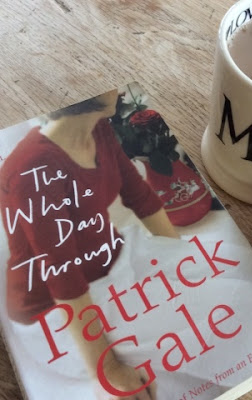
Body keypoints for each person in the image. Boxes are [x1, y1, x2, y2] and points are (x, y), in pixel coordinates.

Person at [0, 90, 179, 400]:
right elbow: (61, 273)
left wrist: (184, 259)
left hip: (108, 266)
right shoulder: (29, 168)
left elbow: (140, 196)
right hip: (54, 312)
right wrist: (107, 369)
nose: (117, 89)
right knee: (170, 352)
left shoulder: (99, 128)